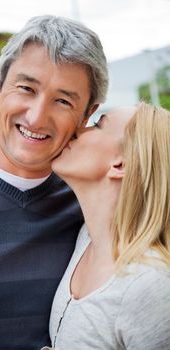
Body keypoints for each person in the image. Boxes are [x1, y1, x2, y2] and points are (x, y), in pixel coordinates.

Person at [0, 15, 108, 349]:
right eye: (26, 88)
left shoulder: (91, 204)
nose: (36, 117)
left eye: (63, 101)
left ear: (88, 114)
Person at [45, 102, 170, 349]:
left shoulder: (150, 286)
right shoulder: (85, 240)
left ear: (120, 165)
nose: (79, 129)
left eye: (98, 124)